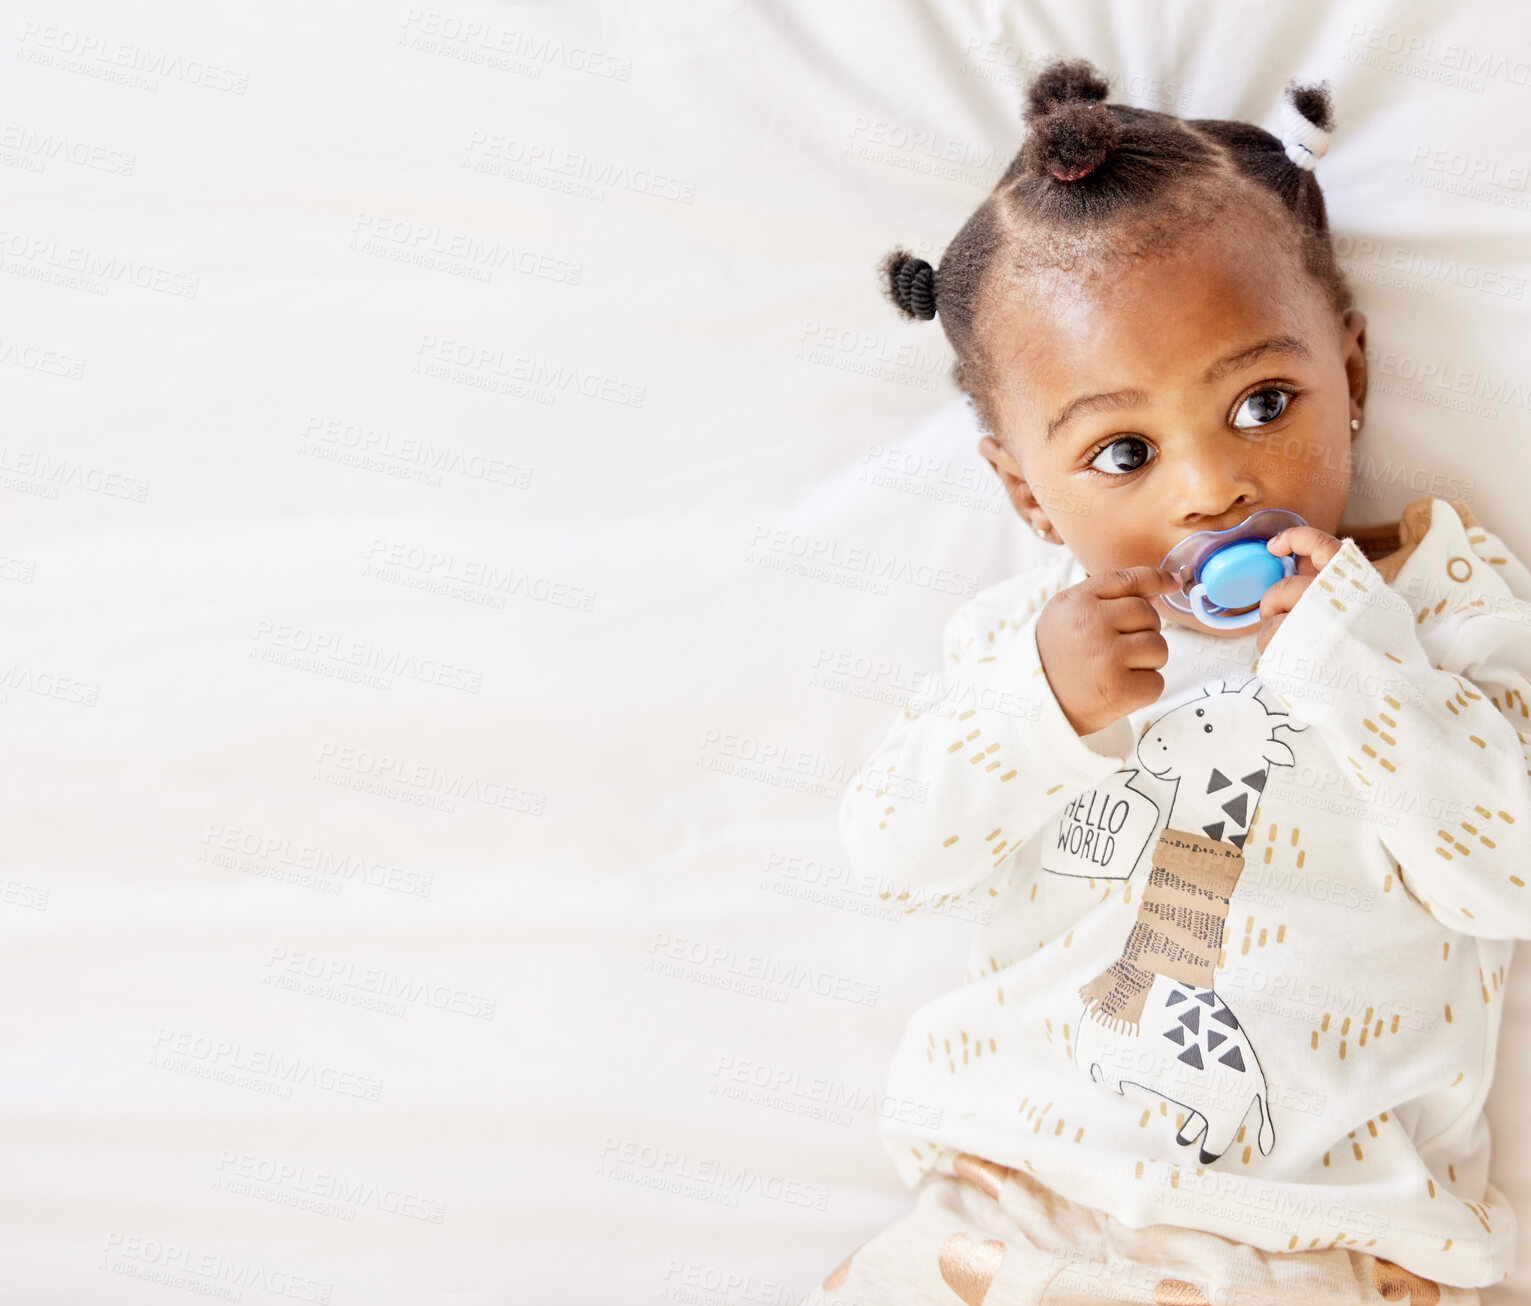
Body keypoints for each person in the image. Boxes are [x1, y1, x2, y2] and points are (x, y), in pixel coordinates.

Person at [809, 57, 1531, 1306]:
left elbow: (1504, 872)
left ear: (1350, 378)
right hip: (1019, 1195)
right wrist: (1037, 713)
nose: (1210, 489)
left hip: (1331, 1241)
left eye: (1263, 401)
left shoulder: (1437, 601)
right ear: (1028, 493)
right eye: (1124, 451)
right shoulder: (1027, 644)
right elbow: (893, 857)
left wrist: (1349, 664)